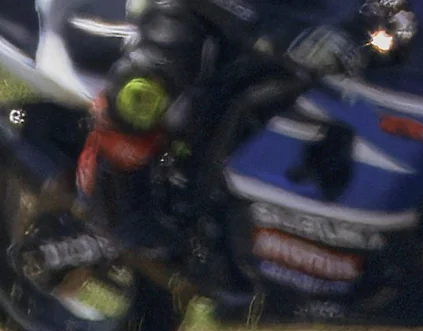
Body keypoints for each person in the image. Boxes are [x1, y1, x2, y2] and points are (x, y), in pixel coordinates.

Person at [76, 0, 379, 252]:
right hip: (201, 11)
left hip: (306, 18)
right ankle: (115, 208)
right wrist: (274, 31)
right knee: (146, 86)